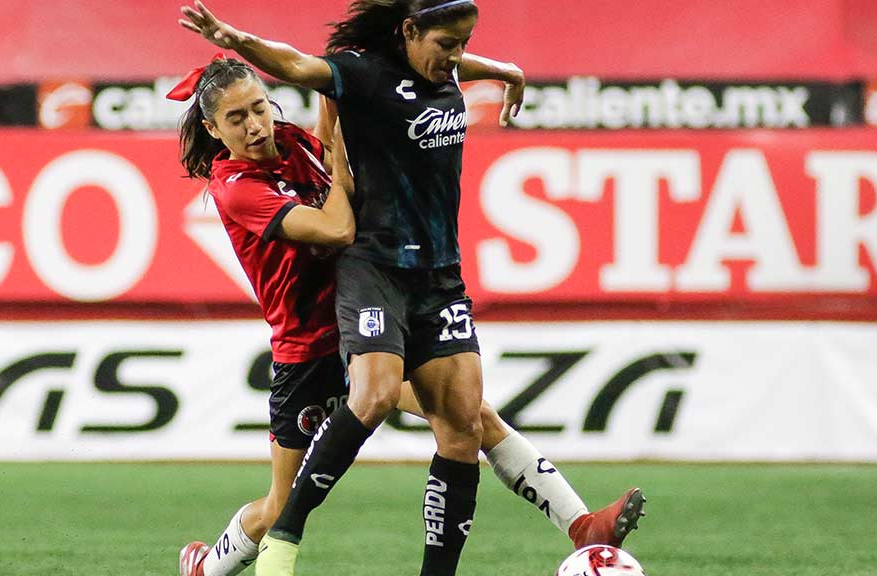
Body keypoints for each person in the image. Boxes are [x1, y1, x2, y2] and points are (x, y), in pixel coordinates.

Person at [175, 3, 645, 575]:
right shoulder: (236, 188)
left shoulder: (293, 142)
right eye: (236, 119)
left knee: (468, 419)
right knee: (277, 507)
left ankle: (582, 525)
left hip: (371, 319)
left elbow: (404, 79)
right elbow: (338, 227)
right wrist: (346, 169)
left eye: (258, 108)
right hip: (310, 347)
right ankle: (204, 568)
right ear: (212, 128)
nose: (254, 125)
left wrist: (343, 105)